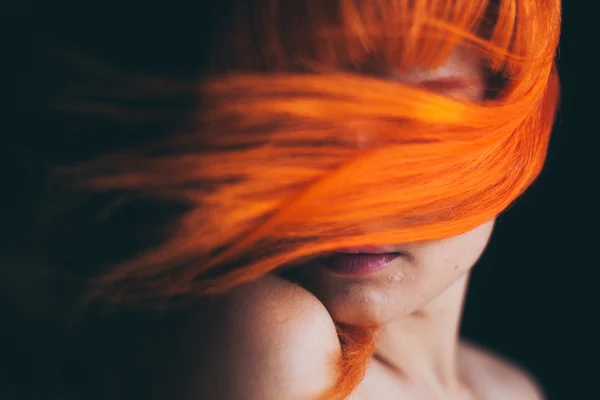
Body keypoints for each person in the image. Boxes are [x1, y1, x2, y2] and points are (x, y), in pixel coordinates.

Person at [34, 0, 561, 399]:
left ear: (517, 129)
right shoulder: (278, 343)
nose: (349, 197)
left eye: (411, 126)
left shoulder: (511, 388)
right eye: (303, 125)